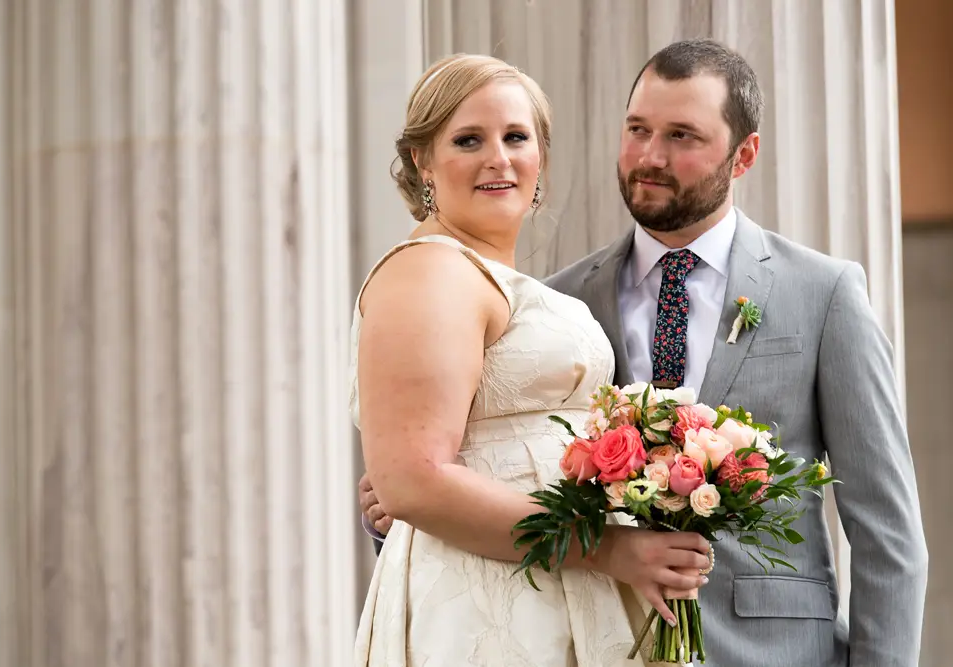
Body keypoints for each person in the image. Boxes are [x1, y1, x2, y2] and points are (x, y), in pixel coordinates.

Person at [359, 40, 929, 667]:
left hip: (774, 650)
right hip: (593, 636)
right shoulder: (561, 302)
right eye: (638, 130)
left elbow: (887, 531)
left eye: (682, 135)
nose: (651, 157)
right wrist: (400, 512)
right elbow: (450, 466)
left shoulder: (823, 293)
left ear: (744, 154)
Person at [350, 53, 712, 666]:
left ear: (540, 155)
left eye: (516, 137)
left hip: (557, 590)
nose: (498, 158)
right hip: (491, 611)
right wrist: (609, 549)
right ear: (423, 161)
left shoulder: (500, 280)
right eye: (468, 139)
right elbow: (412, 481)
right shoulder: (428, 271)